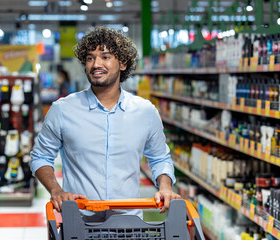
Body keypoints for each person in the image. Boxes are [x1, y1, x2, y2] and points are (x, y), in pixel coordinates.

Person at [30, 26, 180, 221]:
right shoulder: (63, 109)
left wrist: (166, 187)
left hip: (129, 221)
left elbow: (160, 158)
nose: (96, 64)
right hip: (79, 221)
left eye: (105, 57)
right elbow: (40, 156)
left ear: (123, 64)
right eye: (90, 58)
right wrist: (56, 190)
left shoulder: (145, 112)